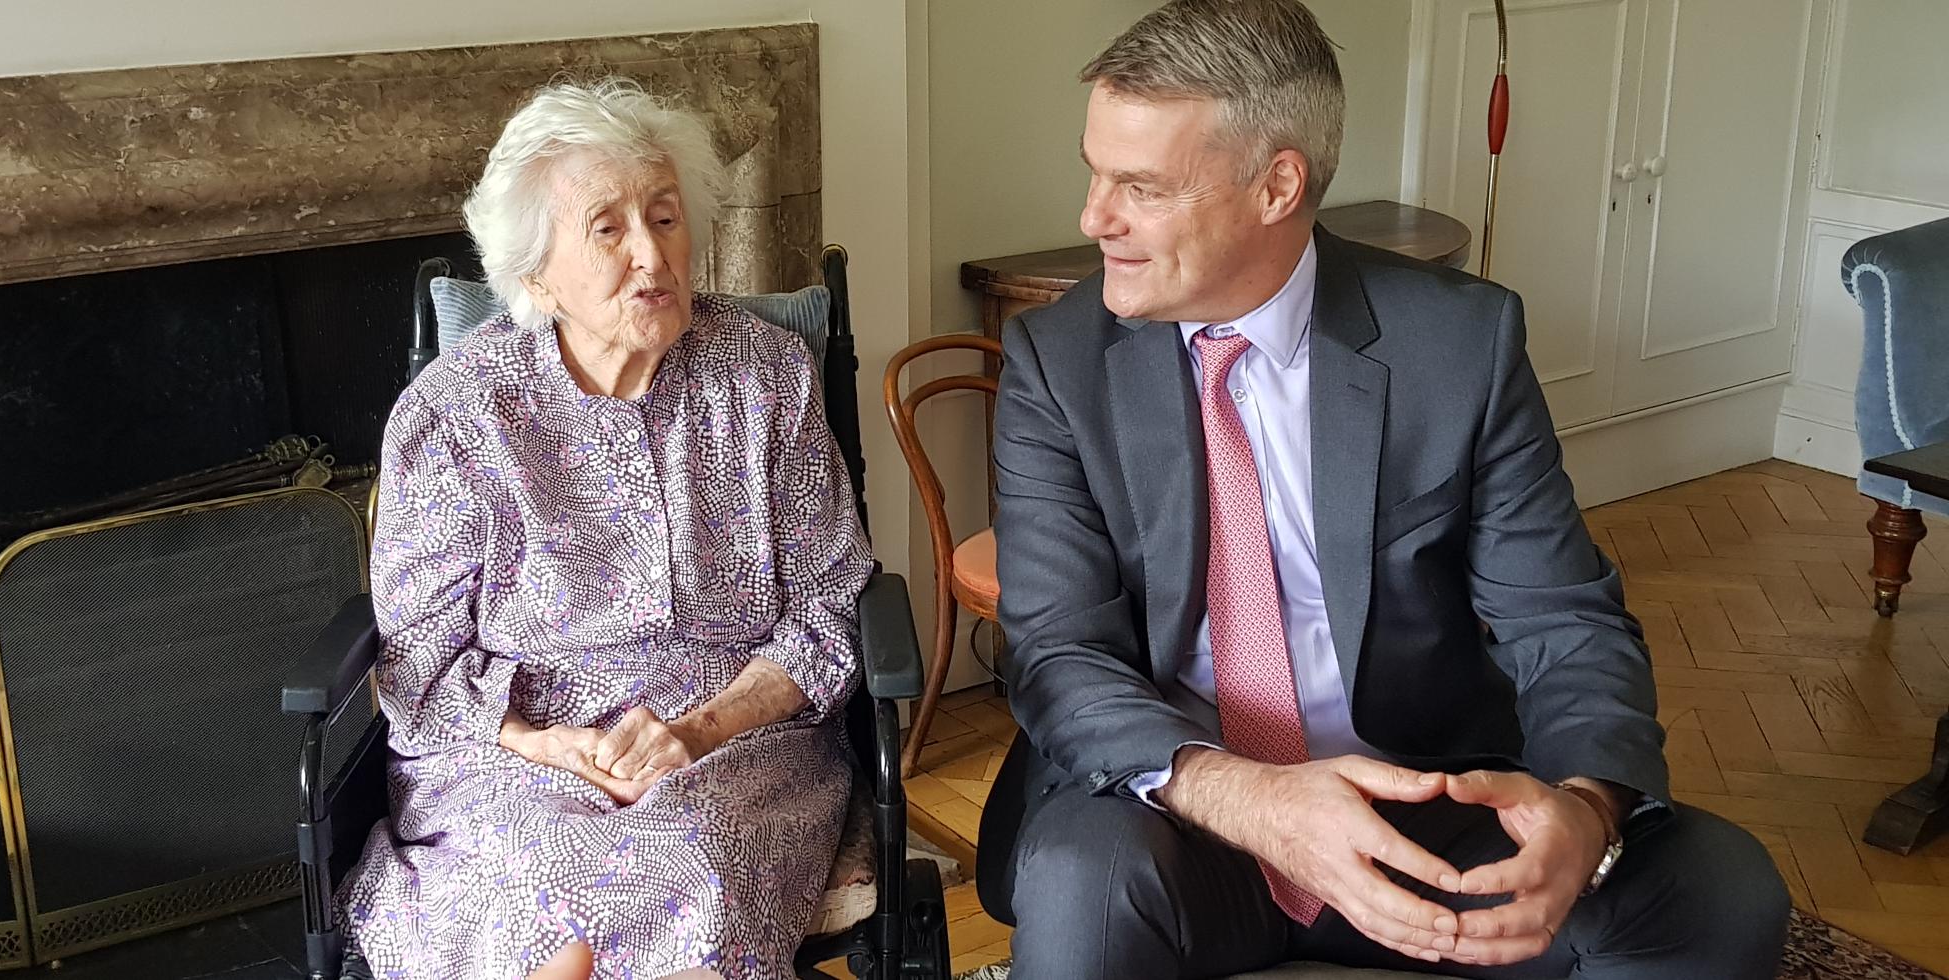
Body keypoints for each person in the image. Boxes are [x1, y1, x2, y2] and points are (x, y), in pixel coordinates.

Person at [977, 2, 1791, 977]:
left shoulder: (1459, 345)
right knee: (1076, 886)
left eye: (1139, 186)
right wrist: (1256, 801)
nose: (1092, 216)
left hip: (1422, 812)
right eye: (1094, 171)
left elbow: (1564, 617)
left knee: (1718, 888)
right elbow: (1059, 653)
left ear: (1277, 184)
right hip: (1182, 815)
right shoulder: (1057, 362)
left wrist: (1585, 806)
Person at [338, 78, 873, 980]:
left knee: (686, 884)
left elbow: (831, 601)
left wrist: (699, 730)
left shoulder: (765, 376)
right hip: (513, 759)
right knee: (552, 929)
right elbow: (420, 649)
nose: (651, 256)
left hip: (735, 749)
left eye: (664, 219)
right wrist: (548, 744)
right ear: (536, 273)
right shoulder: (457, 412)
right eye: (608, 228)